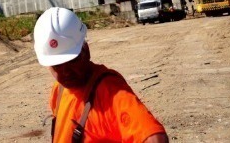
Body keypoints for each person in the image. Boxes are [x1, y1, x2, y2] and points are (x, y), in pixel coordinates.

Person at [34, 7, 168, 142]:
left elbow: (155, 138)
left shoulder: (109, 90)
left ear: (86, 51)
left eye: (72, 61)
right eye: (57, 65)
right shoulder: (59, 90)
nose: (66, 71)